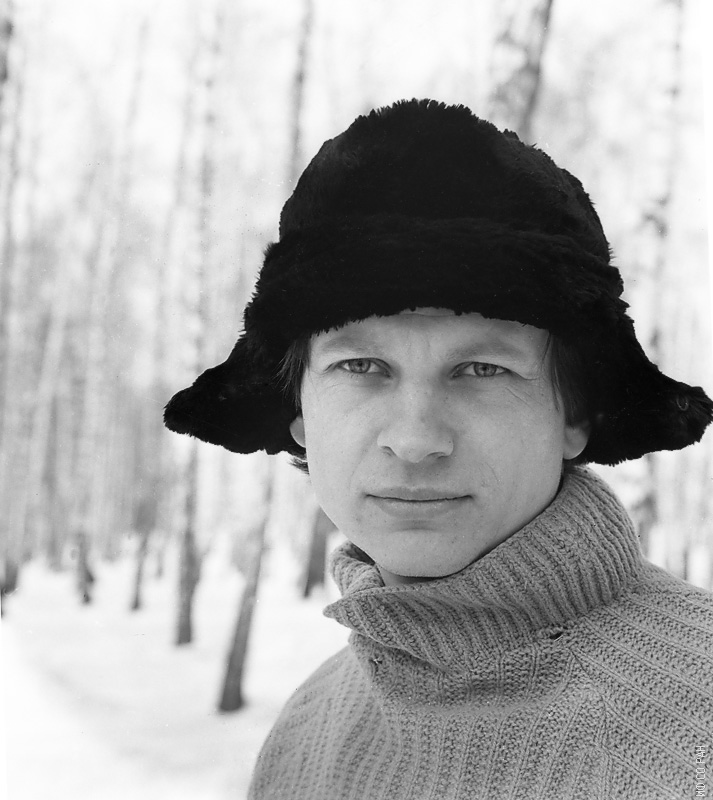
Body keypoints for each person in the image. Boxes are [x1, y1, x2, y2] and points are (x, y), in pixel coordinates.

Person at [164, 99, 713, 800]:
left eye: (480, 369)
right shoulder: (304, 730)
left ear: (574, 413)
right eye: (361, 366)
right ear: (298, 409)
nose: (415, 439)